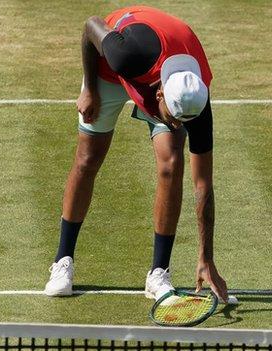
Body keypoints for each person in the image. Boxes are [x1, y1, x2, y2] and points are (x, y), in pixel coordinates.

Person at [44, 5, 228, 303]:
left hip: (156, 71)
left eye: (184, 120)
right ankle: (62, 260)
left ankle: (159, 273)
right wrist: (90, 88)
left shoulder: (196, 98)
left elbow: (203, 184)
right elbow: (91, 26)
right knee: (88, 158)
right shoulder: (126, 54)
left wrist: (206, 258)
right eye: (174, 118)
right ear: (159, 96)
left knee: (172, 162)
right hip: (109, 71)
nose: (178, 125)